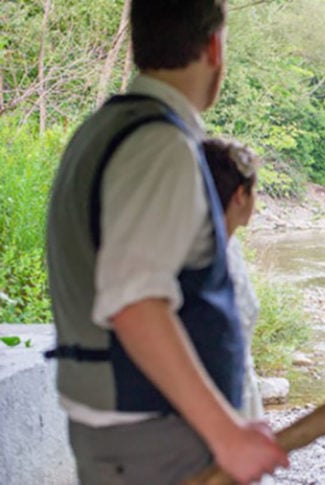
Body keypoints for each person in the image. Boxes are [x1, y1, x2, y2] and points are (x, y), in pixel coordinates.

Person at [44, 2, 288, 484]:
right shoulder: (161, 144)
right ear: (214, 47)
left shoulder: (101, 131)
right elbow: (135, 303)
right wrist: (228, 436)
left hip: (123, 430)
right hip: (153, 439)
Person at [203, 138, 265, 421]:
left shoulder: (231, 246)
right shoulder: (205, 257)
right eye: (254, 191)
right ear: (240, 195)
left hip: (240, 386)